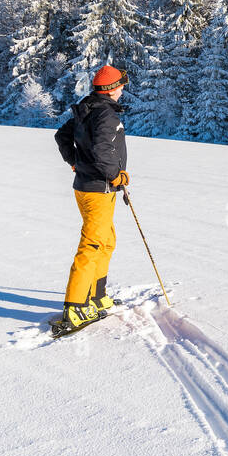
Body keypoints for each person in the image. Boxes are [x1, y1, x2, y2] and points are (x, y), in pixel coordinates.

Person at [54, 65, 131, 331]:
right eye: (121, 85)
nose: (123, 89)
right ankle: (75, 308)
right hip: (98, 189)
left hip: (90, 187)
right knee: (93, 245)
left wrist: (75, 162)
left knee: (106, 241)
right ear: (110, 89)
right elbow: (102, 151)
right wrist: (117, 176)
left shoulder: (87, 108)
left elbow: (62, 135)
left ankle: (97, 297)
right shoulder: (105, 116)